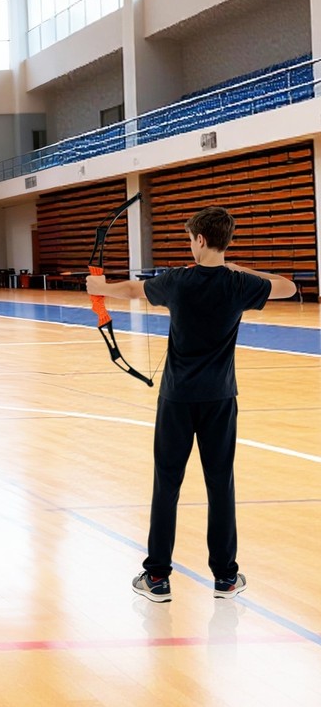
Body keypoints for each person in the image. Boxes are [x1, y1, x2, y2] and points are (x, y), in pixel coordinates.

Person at [86, 206, 295, 603]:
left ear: (199, 240)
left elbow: (131, 291)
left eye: (190, 239)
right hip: (219, 398)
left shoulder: (179, 281)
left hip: (177, 399)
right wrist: (235, 269)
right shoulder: (238, 284)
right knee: (221, 485)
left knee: (167, 484)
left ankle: (158, 578)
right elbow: (286, 286)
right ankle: (226, 578)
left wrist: (96, 286)